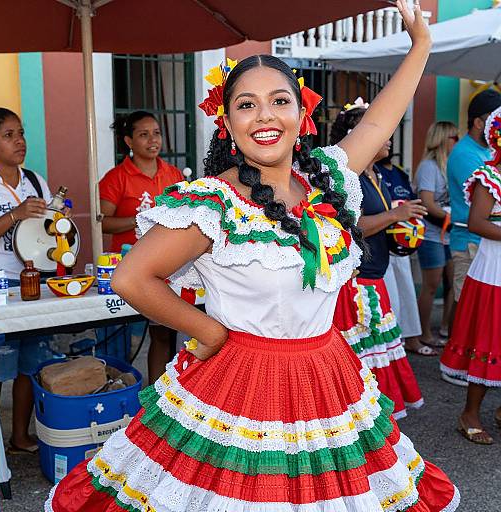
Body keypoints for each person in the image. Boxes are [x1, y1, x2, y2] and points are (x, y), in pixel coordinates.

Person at [47, 3, 460, 510]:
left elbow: (378, 122)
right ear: (227, 122)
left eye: (279, 100)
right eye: (246, 105)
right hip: (241, 384)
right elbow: (133, 277)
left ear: (302, 115)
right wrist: (210, 332)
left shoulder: (327, 179)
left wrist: (421, 44)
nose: (265, 115)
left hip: (328, 377)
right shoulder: (211, 203)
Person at [332, 103, 427, 418]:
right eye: (382, 133)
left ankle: (374, 421)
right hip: (357, 282)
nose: (388, 140)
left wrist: (403, 229)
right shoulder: (350, 178)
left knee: (378, 351)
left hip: (377, 274)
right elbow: (351, 226)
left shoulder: (380, 175)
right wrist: (395, 215)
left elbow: (379, 222)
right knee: (362, 357)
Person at [0, 107, 57, 454]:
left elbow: (47, 229)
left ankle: (19, 437)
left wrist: (58, 226)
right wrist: (14, 215)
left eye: (21, 133)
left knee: (31, 364)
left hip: (33, 282)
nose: (20, 141)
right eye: (8, 135)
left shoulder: (33, 180)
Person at [99, 111, 184, 383]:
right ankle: (122, 392)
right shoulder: (116, 177)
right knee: (124, 338)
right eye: (144, 134)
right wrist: (143, 217)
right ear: (128, 141)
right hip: (127, 270)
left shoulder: (173, 174)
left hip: (167, 268)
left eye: (156, 133)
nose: (153, 140)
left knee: (162, 334)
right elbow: (103, 222)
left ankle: (157, 396)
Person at [440, 106, 501, 444]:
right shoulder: (489, 176)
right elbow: (477, 222)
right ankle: (470, 413)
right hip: (493, 270)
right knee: (487, 339)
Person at [378, 151, 432, 356]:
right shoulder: (374, 172)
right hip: (384, 238)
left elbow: (412, 200)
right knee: (390, 295)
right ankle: (395, 340)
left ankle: (411, 337)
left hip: (404, 239)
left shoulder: (400, 173)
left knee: (406, 290)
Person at [414, 122, 457, 347]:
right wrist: (454, 219)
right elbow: (428, 203)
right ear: (442, 139)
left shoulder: (450, 164)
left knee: (453, 283)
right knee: (431, 285)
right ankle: (422, 333)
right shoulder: (429, 167)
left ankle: (446, 329)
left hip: (450, 234)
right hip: (431, 234)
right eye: (453, 137)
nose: (456, 142)